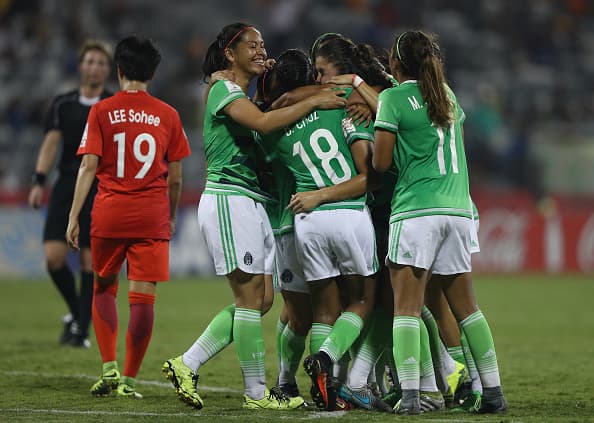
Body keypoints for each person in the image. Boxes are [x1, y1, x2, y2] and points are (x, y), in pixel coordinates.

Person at [161, 23, 345, 411]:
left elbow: (267, 112)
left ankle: (187, 362)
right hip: (229, 198)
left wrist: (283, 87)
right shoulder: (222, 90)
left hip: (250, 202)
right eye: (253, 46)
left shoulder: (240, 92)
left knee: (261, 300)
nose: (262, 51)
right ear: (230, 53)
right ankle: (257, 393)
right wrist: (313, 102)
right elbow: (262, 123)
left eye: (264, 45)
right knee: (248, 301)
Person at [373, 30, 507, 414]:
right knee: (468, 309)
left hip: (417, 211)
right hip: (458, 212)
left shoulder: (392, 98)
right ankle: (494, 391)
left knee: (407, 309)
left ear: (395, 63)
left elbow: (381, 164)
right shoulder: (446, 95)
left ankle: (413, 396)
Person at [65, 35, 190, 398]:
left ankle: (108, 369)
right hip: (150, 215)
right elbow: (177, 177)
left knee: (103, 288)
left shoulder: (101, 111)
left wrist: (73, 216)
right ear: (153, 72)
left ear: (118, 69)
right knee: (143, 299)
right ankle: (130, 381)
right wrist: (168, 217)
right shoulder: (169, 114)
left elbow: (88, 166)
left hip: (109, 214)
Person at [28, 39, 112, 348]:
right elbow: (51, 143)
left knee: (90, 262)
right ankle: (77, 314)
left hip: (99, 188)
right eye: (90, 61)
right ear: (81, 66)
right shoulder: (63, 103)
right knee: (53, 258)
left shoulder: (111, 104)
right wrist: (38, 180)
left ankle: (80, 330)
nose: (95, 67)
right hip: (66, 184)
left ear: (108, 69)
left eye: (101, 63)